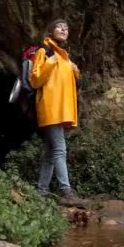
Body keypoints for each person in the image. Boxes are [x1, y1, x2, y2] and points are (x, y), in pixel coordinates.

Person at [29, 19, 88, 206]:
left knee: (49, 153)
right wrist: (50, 63)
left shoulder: (65, 57)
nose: (64, 29)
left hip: (61, 109)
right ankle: (66, 191)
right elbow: (35, 80)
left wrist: (75, 71)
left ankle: (42, 192)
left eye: (66, 28)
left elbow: (66, 82)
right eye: (59, 27)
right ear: (51, 30)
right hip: (50, 108)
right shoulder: (44, 51)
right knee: (60, 149)